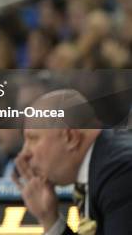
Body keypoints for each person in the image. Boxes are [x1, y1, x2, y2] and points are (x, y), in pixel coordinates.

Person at [13, 90, 132, 234]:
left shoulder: (120, 174)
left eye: (33, 138)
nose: (25, 153)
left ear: (70, 138)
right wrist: (49, 219)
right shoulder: (101, 163)